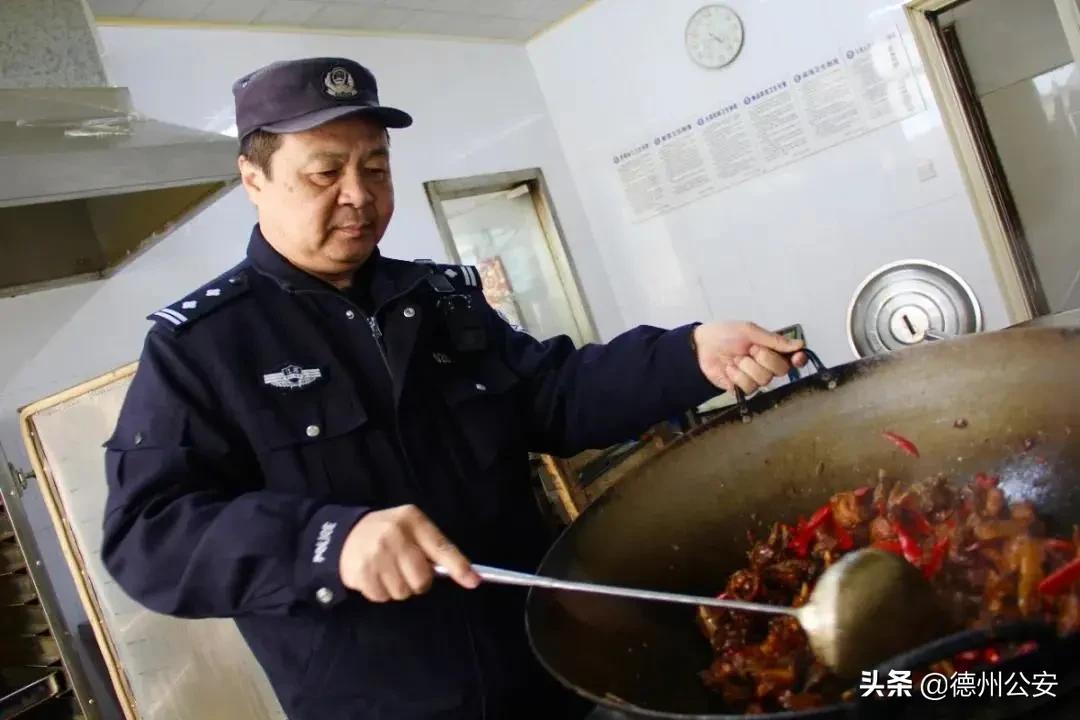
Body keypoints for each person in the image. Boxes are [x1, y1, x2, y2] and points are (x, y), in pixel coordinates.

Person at [101, 57, 807, 720]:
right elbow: (149, 534)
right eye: (325, 172)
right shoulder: (201, 347)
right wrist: (326, 543)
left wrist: (688, 356)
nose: (359, 194)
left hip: (553, 674)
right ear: (253, 179)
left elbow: (554, 394)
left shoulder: (437, 299)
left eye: (375, 166)